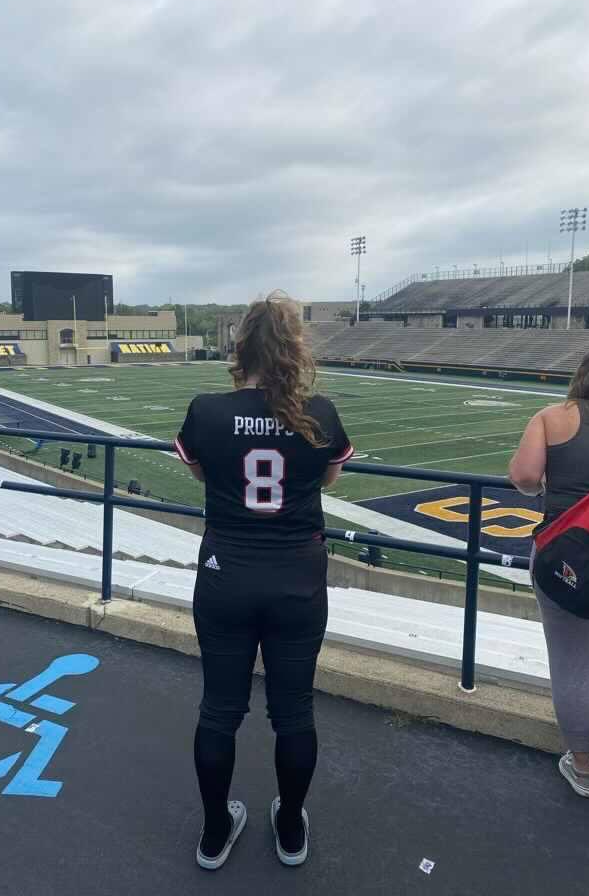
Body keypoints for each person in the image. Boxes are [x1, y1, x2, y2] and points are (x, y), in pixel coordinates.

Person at [174, 293, 353, 870]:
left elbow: (201, 470)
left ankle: (213, 832)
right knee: (294, 711)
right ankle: (291, 829)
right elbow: (328, 478)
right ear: (294, 350)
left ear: (239, 346)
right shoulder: (319, 413)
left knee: (219, 709)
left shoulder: (206, 409)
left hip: (225, 572)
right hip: (297, 576)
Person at [509, 349, 589, 798]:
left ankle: (582, 766)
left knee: (575, 663)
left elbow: (524, 475)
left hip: (570, 553)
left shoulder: (554, 416)